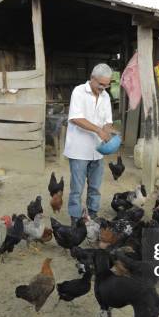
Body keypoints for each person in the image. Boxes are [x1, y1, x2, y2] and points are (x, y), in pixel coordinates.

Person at [64, 63, 116, 225]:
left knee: (95, 187)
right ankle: (75, 218)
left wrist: (106, 131)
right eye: (101, 84)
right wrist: (98, 131)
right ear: (92, 78)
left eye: (106, 85)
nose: (103, 88)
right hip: (79, 149)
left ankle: (92, 214)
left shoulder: (105, 96)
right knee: (77, 189)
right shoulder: (79, 92)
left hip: (97, 150)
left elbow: (107, 120)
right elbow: (75, 117)